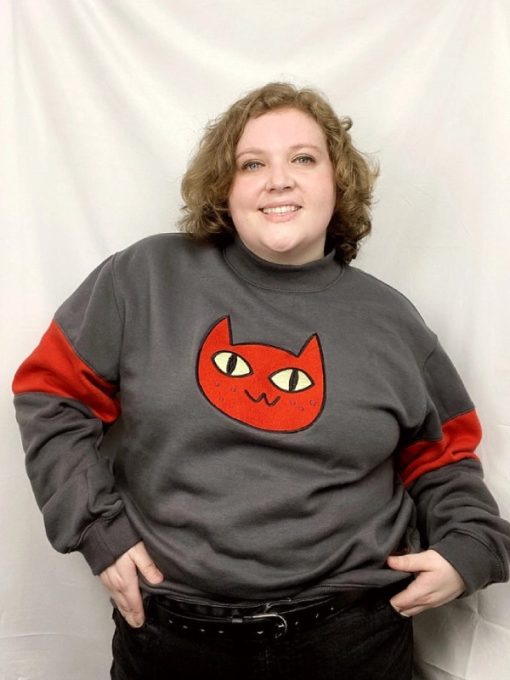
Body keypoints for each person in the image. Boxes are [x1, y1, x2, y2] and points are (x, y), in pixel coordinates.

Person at [13, 82, 510, 680]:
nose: (279, 180)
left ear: (338, 181)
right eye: (252, 164)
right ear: (225, 187)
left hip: (353, 640)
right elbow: (51, 393)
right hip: (172, 640)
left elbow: (443, 457)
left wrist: (470, 545)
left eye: (303, 158)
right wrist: (96, 528)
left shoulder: (391, 321)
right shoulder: (143, 279)